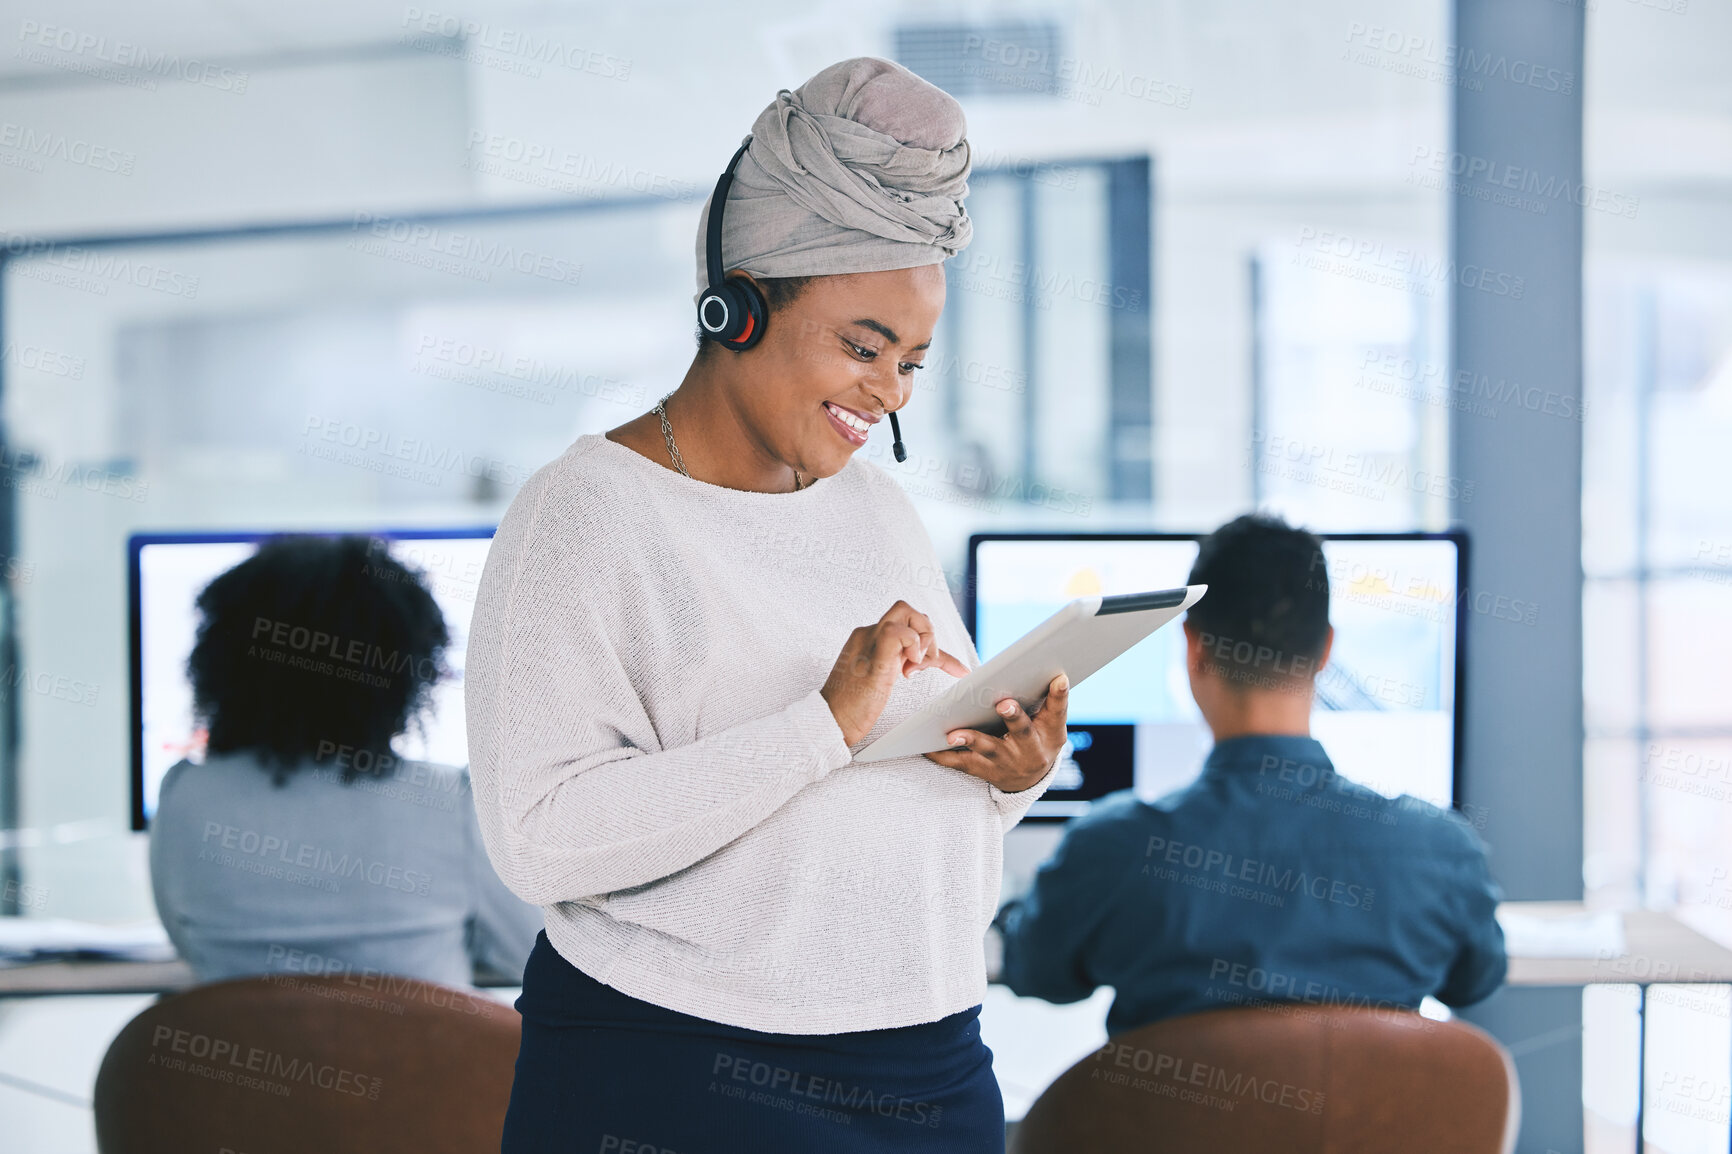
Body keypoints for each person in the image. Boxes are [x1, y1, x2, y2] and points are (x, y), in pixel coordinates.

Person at [465, 57, 1068, 1154]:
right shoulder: (586, 512)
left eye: (913, 364)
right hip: (688, 1071)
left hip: (929, 1062)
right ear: (736, 303)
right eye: (862, 346)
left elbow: (916, 793)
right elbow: (539, 836)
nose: (887, 393)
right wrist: (819, 725)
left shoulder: (874, 508)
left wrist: (1010, 776)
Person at [996, 513, 1506, 1035]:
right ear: (1326, 651)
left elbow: (1037, 971)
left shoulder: (1114, 849)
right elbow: (1477, 977)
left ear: (1193, 649)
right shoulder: (1439, 852)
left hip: (1179, 1119)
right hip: (1367, 1117)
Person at [149, 534, 542, 989]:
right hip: (419, 1059)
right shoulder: (453, 805)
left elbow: (187, 944)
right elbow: (527, 958)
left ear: (220, 664)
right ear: (407, 672)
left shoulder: (184, 800)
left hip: (238, 1061)